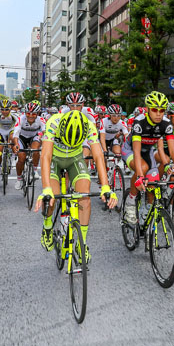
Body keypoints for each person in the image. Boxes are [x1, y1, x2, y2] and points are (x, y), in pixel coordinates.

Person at [34, 110, 116, 260]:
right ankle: (47, 227)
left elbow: (98, 156)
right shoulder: (54, 122)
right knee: (52, 197)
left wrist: (105, 187)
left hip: (74, 159)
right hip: (54, 159)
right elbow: (45, 156)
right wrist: (46, 189)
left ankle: (82, 243)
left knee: (85, 196)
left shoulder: (89, 126)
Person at [122, 91, 174, 224]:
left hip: (148, 152)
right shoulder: (139, 122)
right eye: (154, 109)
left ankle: (147, 211)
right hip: (130, 150)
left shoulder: (166, 124)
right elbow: (136, 150)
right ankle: (130, 201)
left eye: (161, 110)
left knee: (153, 183)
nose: (158, 113)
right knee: (144, 168)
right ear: (147, 109)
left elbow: (172, 151)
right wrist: (140, 176)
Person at [13, 102, 46, 190]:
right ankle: (19, 179)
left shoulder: (41, 120)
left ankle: (34, 170)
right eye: (28, 113)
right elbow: (15, 134)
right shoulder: (20, 119)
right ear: (25, 113)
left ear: (37, 114)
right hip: (22, 137)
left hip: (34, 137)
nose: (31, 116)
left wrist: (45, 143)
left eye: (34, 114)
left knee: (35, 150)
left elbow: (44, 132)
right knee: (21, 158)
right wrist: (16, 144)